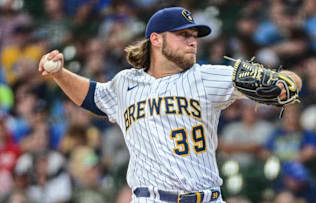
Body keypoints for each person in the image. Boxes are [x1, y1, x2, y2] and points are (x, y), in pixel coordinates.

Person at [38, 7, 301, 203]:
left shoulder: (206, 76)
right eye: (182, 35)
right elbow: (93, 97)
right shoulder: (125, 83)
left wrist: (286, 84)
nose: (192, 41)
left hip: (206, 198)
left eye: (194, 36)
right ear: (156, 39)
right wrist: (60, 75)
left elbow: (289, 80)